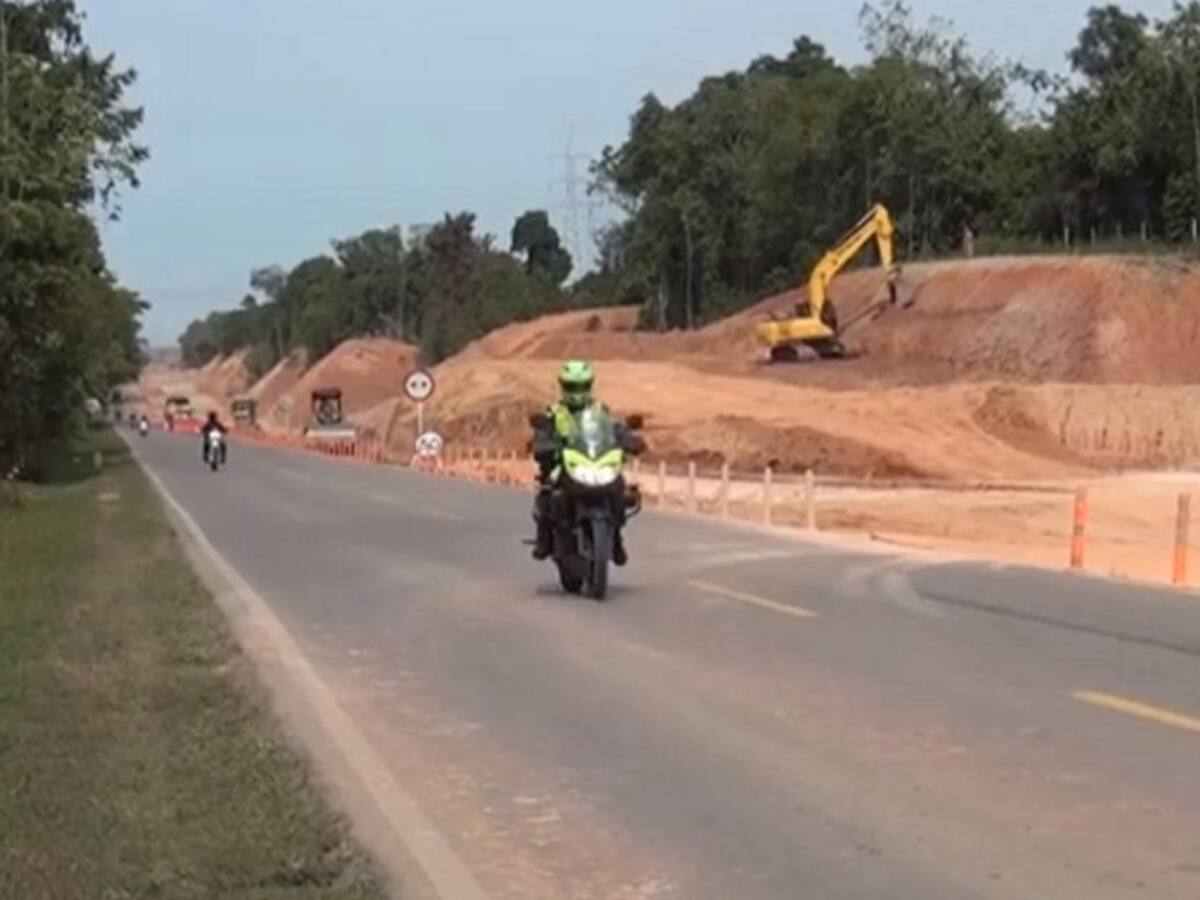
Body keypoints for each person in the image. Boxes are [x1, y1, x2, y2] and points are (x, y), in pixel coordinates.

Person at [530, 360, 642, 565]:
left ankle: (616, 538)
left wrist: (629, 440)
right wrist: (542, 443)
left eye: (582, 387)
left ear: (590, 385)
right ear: (563, 386)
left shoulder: (600, 411)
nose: (577, 392)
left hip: (595, 461)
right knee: (551, 493)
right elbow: (542, 433)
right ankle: (544, 539)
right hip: (563, 464)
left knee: (618, 486)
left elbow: (615, 429)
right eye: (572, 387)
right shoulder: (554, 413)